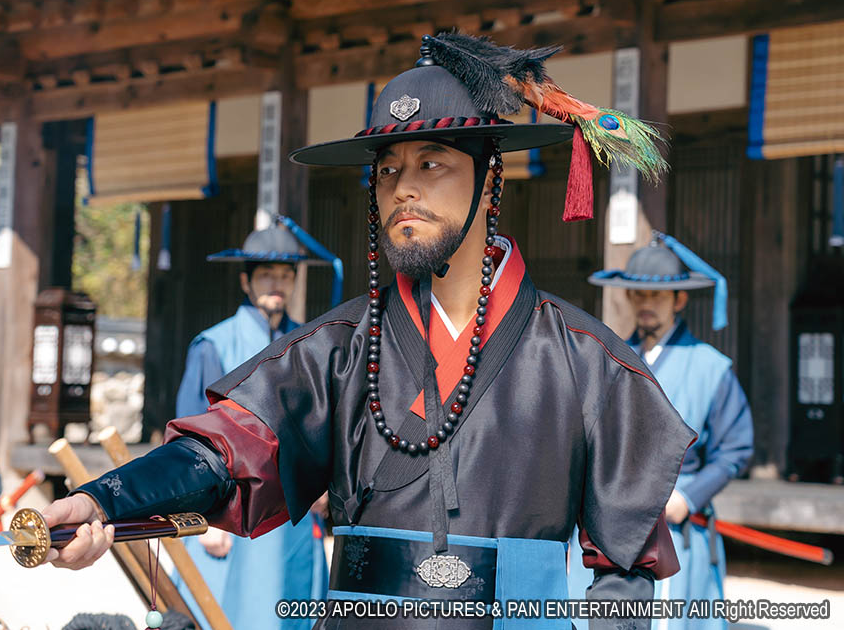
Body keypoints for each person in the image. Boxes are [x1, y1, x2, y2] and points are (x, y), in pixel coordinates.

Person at [41, 33, 696, 630]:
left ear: (489, 178)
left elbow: (627, 567)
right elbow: (226, 453)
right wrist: (106, 500)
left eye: (431, 163)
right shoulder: (339, 347)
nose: (402, 188)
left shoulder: (591, 362)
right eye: (387, 169)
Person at [569, 232, 754, 629]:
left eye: (656, 295)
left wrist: (688, 496)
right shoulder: (611, 359)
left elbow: (735, 449)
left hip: (677, 523)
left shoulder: (710, 366)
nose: (646, 303)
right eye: (638, 294)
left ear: (679, 300)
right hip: (612, 522)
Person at [172, 226, 328, 630]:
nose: (277, 284)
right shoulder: (214, 345)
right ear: (245, 280)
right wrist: (201, 518)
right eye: (266, 275)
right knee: (225, 612)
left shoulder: (308, 344)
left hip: (291, 516)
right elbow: (189, 444)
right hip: (227, 513)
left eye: (286, 275)